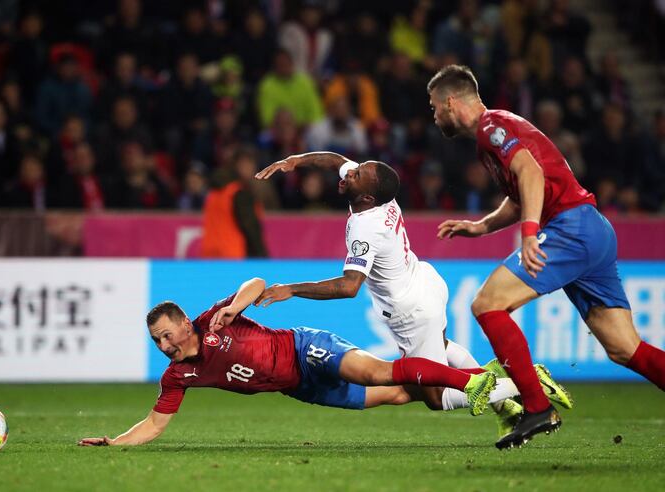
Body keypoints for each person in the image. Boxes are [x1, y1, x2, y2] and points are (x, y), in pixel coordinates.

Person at [426, 64, 665, 449]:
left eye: (434, 106)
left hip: (570, 228)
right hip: (592, 230)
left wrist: (530, 233)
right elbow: (522, 188)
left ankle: (537, 407)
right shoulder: (494, 131)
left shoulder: (491, 127)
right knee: (625, 348)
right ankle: (537, 406)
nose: (433, 114)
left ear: (451, 102)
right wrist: (482, 226)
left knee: (487, 304)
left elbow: (531, 173)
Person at [253, 151, 571, 438]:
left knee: (435, 397)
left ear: (365, 196)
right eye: (355, 170)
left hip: (412, 310)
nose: (347, 173)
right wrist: (295, 161)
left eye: (356, 175)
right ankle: (505, 409)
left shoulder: (366, 227)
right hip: (425, 281)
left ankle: (526, 383)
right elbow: (336, 161)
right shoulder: (378, 195)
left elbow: (349, 287)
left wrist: (291, 289)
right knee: (442, 350)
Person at [79, 277, 519, 447]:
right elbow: (155, 424)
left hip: (305, 348)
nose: (164, 344)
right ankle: (452, 356)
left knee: (376, 371)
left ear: (183, 324)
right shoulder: (177, 375)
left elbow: (255, 283)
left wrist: (235, 307)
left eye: (167, 334)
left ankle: (506, 383)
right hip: (299, 386)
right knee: (403, 393)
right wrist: (115, 443)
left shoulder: (215, 319)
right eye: (157, 340)